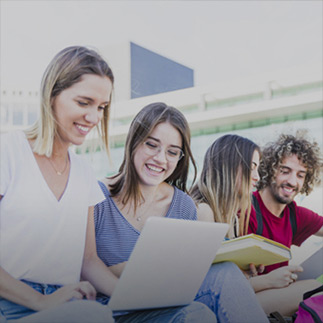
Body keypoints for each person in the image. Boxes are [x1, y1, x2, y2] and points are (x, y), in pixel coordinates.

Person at [94, 103, 268, 323]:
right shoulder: (97, 196)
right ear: (133, 142)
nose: (161, 159)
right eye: (151, 145)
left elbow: (185, 276)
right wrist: (146, 265)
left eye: (172, 152)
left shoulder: (184, 205)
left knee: (225, 273)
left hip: (163, 305)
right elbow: (80, 269)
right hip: (108, 311)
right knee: (197, 315)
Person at [0, 46, 118, 322]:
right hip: (10, 304)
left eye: (101, 107)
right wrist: (42, 301)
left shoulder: (84, 172)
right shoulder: (8, 152)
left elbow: (88, 261)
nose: (94, 118)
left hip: (68, 302)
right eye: (84, 102)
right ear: (51, 95)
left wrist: (136, 297)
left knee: (191, 313)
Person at [247, 132, 323, 316]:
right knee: (314, 289)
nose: (292, 181)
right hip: (244, 298)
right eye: (285, 171)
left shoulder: (293, 214)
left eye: (300, 175)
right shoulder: (245, 210)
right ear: (269, 169)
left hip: (276, 297)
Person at [190, 134, 261, 239]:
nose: (257, 177)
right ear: (229, 166)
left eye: (257, 169)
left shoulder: (233, 217)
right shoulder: (204, 211)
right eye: (251, 167)